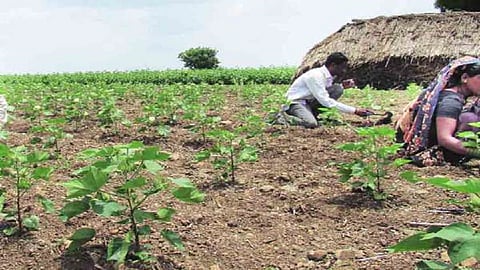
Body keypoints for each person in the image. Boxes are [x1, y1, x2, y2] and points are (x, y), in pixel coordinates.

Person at [395, 56, 480, 166]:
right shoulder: (451, 102)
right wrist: (475, 152)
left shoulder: (451, 95)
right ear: (464, 78)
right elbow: (444, 139)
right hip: (438, 149)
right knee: (470, 118)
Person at [282, 52, 373, 128]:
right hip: (296, 103)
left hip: (308, 102)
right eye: (342, 67)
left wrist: (342, 86)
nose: (344, 71)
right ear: (333, 65)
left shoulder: (327, 77)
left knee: (338, 89)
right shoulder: (316, 76)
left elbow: (325, 91)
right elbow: (326, 101)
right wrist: (355, 110)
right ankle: (282, 118)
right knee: (311, 123)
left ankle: (311, 115)